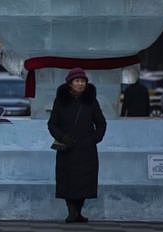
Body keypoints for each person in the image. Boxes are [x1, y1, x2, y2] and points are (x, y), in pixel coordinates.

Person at [48, 68, 107, 223]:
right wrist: (62, 137)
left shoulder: (91, 101)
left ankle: (77, 212)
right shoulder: (60, 100)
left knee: (84, 182)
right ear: (70, 83)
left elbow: (101, 123)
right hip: (67, 148)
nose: (80, 84)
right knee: (67, 181)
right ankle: (72, 212)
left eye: (83, 81)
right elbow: (52, 124)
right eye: (77, 81)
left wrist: (94, 138)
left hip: (86, 149)